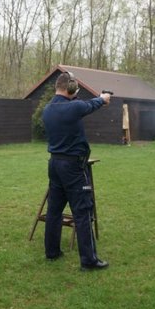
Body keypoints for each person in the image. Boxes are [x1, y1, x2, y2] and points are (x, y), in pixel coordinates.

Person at [42, 71, 111, 271]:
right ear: (71, 88)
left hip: (55, 164)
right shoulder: (75, 107)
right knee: (82, 211)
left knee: (54, 210)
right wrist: (103, 98)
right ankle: (89, 260)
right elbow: (91, 104)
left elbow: (76, 105)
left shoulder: (48, 108)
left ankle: (52, 251)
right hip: (73, 166)